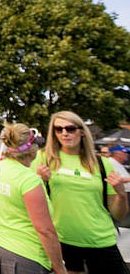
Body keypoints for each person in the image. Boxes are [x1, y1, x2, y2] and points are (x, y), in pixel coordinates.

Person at [32, 111, 129, 273]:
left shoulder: (101, 163)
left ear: (82, 131)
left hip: (100, 240)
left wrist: (121, 194)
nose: (64, 133)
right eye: (58, 129)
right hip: (63, 241)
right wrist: (39, 180)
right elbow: (31, 201)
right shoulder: (43, 158)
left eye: (70, 128)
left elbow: (119, 214)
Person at [0, 123, 67, 274]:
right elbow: (45, 230)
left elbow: (12, 200)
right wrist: (60, 267)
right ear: (31, 150)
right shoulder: (29, 180)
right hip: (26, 257)